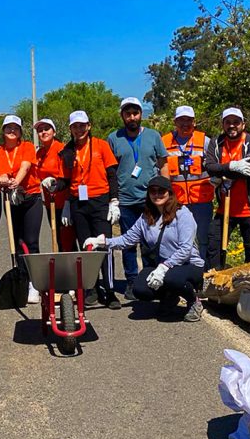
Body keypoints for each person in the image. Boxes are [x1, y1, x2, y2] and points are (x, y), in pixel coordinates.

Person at [92, 176, 205, 322]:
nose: (157, 195)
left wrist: (164, 267)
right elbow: (127, 240)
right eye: (153, 191)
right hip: (162, 267)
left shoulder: (183, 214)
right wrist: (103, 242)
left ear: (169, 193)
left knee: (172, 278)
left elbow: (185, 249)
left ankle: (194, 301)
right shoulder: (146, 217)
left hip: (188, 265)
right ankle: (169, 296)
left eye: (161, 191)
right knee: (140, 289)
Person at [56, 111, 121, 309]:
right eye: (75, 126)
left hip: (100, 200)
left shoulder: (101, 145)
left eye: (82, 125)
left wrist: (114, 200)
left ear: (89, 126)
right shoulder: (67, 151)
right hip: (78, 203)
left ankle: (110, 291)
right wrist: (55, 186)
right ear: (70, 129)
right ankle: (91, 288)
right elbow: (65, 181)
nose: (79, 130)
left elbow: (112, 175)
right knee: (86, 247)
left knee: (104, 245)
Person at [107, 97, 168, 300]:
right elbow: (111, 171)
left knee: (151, 241)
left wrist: (168, 193)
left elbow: (163, 164)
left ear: (141, 114)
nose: (132, 117)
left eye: (135, 113)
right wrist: (112, 200)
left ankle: (151, 277)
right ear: (122, 116)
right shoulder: (114, 138)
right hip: (125, 200)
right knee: (128, 243)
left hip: (150, 199)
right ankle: (132, 281)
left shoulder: (153, 136)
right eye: (127, 113)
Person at [204, 107, 250, 266]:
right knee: (214, 247)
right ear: (223, 124)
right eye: (228, 122)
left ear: (243, 124)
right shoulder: (216, 143)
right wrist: (231, 166)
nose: (232, 126)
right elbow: (209, 167)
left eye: (236, 122)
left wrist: (222, 171)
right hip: (224, 208)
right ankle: (216, 282)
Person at [0, 114, 43, 304]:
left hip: (30, 197)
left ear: (20, 131)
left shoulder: (27, 147)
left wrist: (17, 181)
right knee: (16, 242)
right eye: (8, 128)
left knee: (31, 241)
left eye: (15, 128)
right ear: (3, 131)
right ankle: (22, 278)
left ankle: (35, 283)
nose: (12, 131)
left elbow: (25, 166)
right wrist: (3, 179)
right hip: (10, 200)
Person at [161, 106, 214, 262]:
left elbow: (215, 165)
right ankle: (179, 272)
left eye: (189, 120)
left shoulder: (205, 141)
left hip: (201, 201)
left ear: (194, 122)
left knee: (202, 239)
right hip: (176, 202)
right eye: (181, 120)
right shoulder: (164, 142)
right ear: (175, 122)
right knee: (177, 239)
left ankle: (201, 272)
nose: (185, 124)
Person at [32, 118, 73, 251]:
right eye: (40, 130)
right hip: (51, 204)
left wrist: (68, 202)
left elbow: (68, 179)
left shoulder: (62, 150)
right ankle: (62, 270)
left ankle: (74, 270)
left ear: (54, 132)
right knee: (58, 240)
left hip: (64, 203)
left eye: (46, 129)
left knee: (68, 241)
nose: (43, 132)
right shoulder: (40, 153)